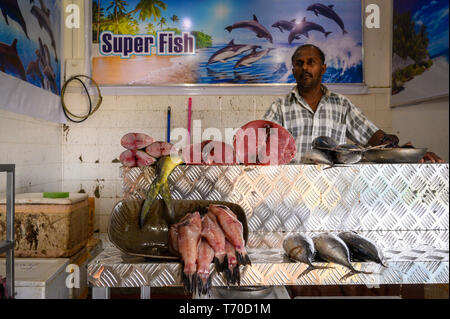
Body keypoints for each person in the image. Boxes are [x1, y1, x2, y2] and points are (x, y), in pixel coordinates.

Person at [264, 44, 443, 163]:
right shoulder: (279, 107)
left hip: (333, 187)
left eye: (311, 63)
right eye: (299, 63)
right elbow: (260, 146)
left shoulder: (342, 105)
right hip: (292, 185)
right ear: (293, 70)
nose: (305, 68)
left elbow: (373, 137)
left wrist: (409, 154)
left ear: (323, 69)